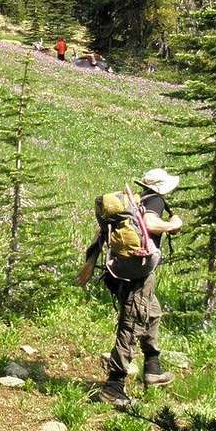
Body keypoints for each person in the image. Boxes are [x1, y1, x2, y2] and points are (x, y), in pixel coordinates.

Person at [77, 167, 184, 407]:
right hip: (138, 275)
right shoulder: (155, 201)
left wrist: (90, 262)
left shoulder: (137, 200)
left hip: (120, 270)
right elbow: (150, 223)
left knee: (152, 313)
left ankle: (153, 369)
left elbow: (107, 232)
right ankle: (113, 387)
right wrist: (173, 224)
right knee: (132, 324)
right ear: (162, 187)